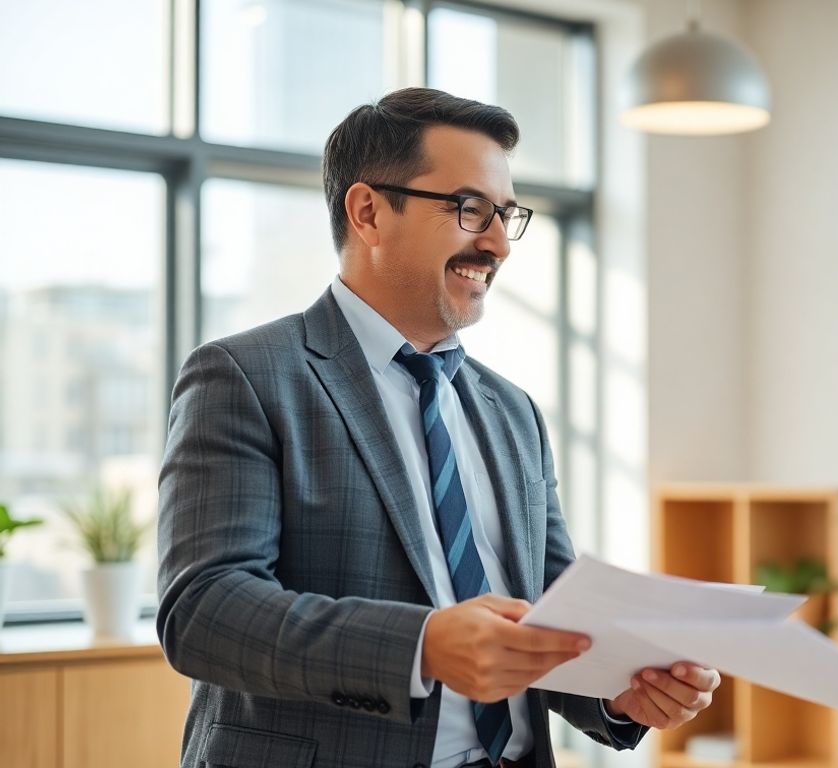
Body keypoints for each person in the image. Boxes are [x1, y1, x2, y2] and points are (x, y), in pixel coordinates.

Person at [157, 88, 719, 768]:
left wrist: (622, 692)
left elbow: (547, 610)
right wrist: (422, 645)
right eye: (469, 209)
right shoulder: (247, 376)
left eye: (505, 216)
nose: (495, 244)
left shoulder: (511, 411)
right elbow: (205, 611)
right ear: (367, 212)